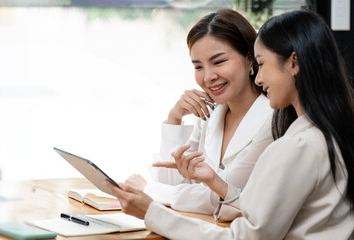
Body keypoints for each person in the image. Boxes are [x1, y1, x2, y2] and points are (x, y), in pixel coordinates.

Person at [106, 9, 354, 239]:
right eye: (198, 66)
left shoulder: (294, 145)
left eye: (262, 63)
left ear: (293, 62)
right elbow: (254, 207)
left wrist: (152, 212)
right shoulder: (324, 132)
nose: (259, 78)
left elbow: (246, 236)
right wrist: (213, 180)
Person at [126, 8, 273, 215]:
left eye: (219, 62)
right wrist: (174, 118)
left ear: (250, 58)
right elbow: (170, 179)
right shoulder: (211, 114)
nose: (208, 77)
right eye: (198, 67)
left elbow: (224, 198)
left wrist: (149, 190)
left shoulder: (272, 118)